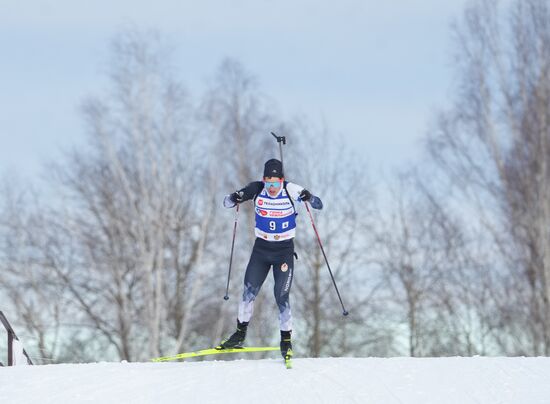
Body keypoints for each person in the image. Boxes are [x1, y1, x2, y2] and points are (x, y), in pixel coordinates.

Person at [217, 158, 323, 360]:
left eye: (275, 183)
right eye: (268, 182)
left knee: (281, 295)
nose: (272, 187)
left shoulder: (290, 189)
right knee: (248, 291)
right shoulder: (257, 189)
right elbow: (227, 203)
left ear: (281, 180)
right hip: (261, 251)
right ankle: (239, 334)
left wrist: (309, 197)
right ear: (264, 180)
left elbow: (319, 205)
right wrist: (235, 197)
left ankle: (285, 339)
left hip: (283, 251)